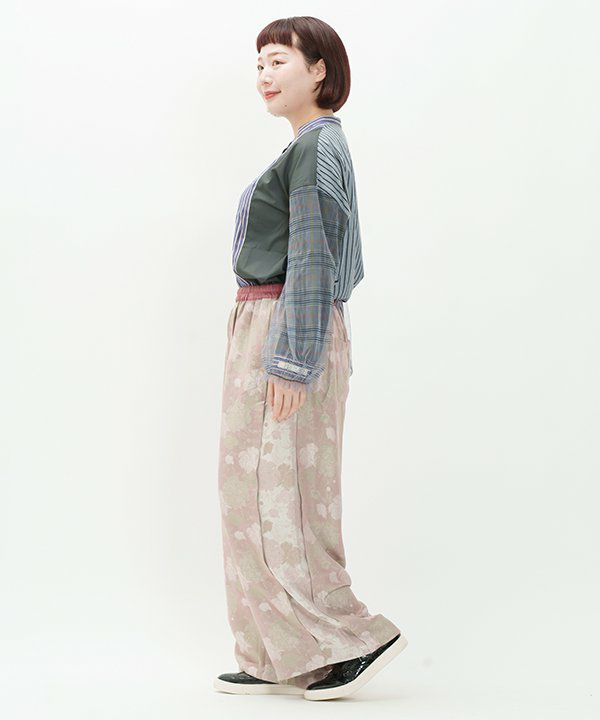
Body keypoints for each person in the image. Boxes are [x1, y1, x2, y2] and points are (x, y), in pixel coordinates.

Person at [214, 16, 407, 701]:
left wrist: (294, 360)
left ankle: (352, 638)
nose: (264, 75)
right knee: (250, 495)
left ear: (319, 69)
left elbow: (317, 256)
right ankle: (282, 652)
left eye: (278, 61)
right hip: (266, 323)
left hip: (286, 328)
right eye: (259, 64)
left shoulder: (317, 147)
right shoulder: (305, 147)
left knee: (285, 498)